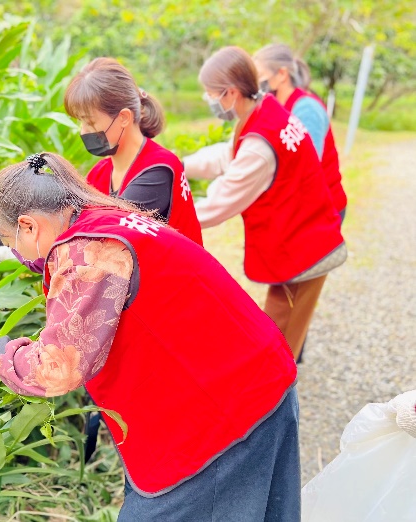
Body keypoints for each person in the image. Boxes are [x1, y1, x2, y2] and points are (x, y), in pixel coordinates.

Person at [0, 152, 300, 521]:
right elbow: (52, 257)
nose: (16, 251)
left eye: (9, 240)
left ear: (29, 225)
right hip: (252, 373)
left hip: (223, 409)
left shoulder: (88, 255)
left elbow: (59, 367)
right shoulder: (104, 218)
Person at [183, 46, 346, 361]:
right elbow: (229, 154)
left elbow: (221, 202)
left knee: (279, 346)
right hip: (302, 234)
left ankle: (277, 405)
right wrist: (177, 165)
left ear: (230, 93)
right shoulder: (264, 112)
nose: (210, 102)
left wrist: (169, 215)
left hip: (303, 247)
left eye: (210, 94)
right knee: (279, 334)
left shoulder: (261, 140)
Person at [64, 57, 202, 245]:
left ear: (123, 118)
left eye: (90, 122)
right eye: (81, 122)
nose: (83, 131)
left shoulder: (158, 169)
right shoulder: (100, 173)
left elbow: (107, 235)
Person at [254, 44, 348, 221]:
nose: (257, 83)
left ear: (282, 74)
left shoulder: (306, 108)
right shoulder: (277, 105)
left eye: (260, 75)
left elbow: (307, 164)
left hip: (322, 209)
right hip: (297, 206)